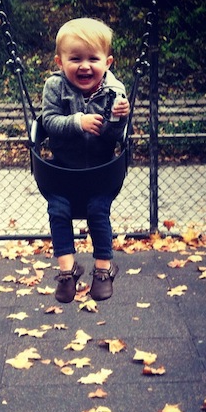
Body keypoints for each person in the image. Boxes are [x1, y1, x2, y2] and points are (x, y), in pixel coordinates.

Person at [41, 17, 130, 303]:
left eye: (93, 58)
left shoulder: (115, 91)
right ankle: (67, 271)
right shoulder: (54, 87)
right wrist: (77, 122)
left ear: (108, 62)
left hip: (101, 172)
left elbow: (115, 137)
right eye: (75, 58)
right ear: (60, 62)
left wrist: (118, 119)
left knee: (98, 211)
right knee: (57, 210)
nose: (84, 66)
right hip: (63, 171)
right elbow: (48, 122)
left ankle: (103, 269)